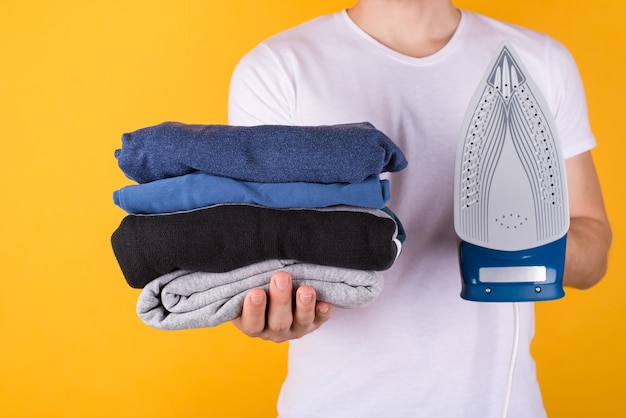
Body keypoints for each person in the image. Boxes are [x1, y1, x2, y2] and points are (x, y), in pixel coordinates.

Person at [227, 0, 612, 416]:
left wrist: (524, 243)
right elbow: (260, 256)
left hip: (501, 405)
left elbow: (592, 255)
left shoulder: (539, 62)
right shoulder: (280, 69)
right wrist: (264, 305)